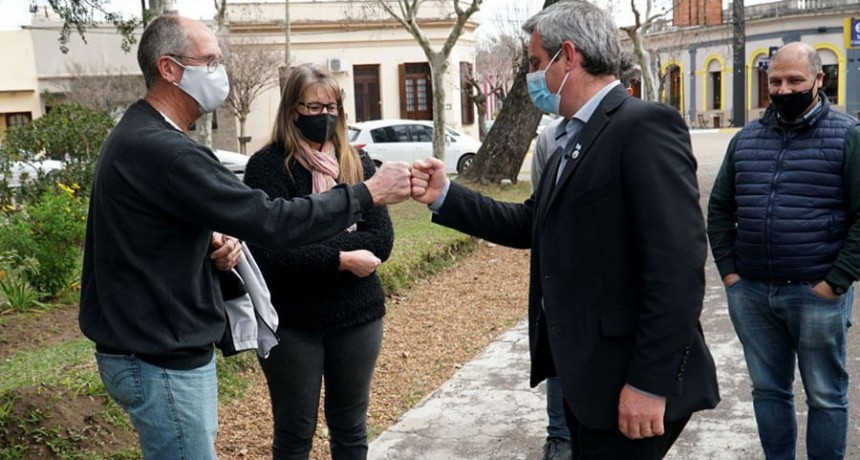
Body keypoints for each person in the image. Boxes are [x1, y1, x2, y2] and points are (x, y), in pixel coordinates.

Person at [78, 15, 410, 460]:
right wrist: (367, 193)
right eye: (210, 60)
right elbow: (271, 223)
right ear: (170, 69)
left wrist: (212, 246)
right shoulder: (164, 149)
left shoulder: (145, 136)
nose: (221, 71)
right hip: (158, 357)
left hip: (155, 349)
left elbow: (156, 237)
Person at [411, 2, 719, 458]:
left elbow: (677, 267)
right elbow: (530, 223)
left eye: (536, 64)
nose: (533, 76)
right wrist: (446, 196)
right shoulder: (568, 140)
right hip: (587, 378)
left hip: (628, 380)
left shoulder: (642, 127)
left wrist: (650, 384)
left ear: (568, 56)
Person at [707, 41, 860, 460]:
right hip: (752, 294)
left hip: (816, 295)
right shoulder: (746, 139)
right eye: (775, 81)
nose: (784, 89)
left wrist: (835, 281)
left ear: (818, 80)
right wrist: (730, 275)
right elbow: (720, 208)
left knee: (826, 396)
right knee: (768, 391)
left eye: (795, 80)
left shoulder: (848, 136)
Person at [242, 63, 394, 459]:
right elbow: (269, 252)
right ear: (292, 109)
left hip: (357, 317)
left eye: (333, 107)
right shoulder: (268, 167)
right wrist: (341, 257)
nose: (325, 116)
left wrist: (307, 240)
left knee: (350, 427)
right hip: (292, 324)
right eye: (313, 107)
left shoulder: (357, 165)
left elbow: (381, 239)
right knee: (294, 432)